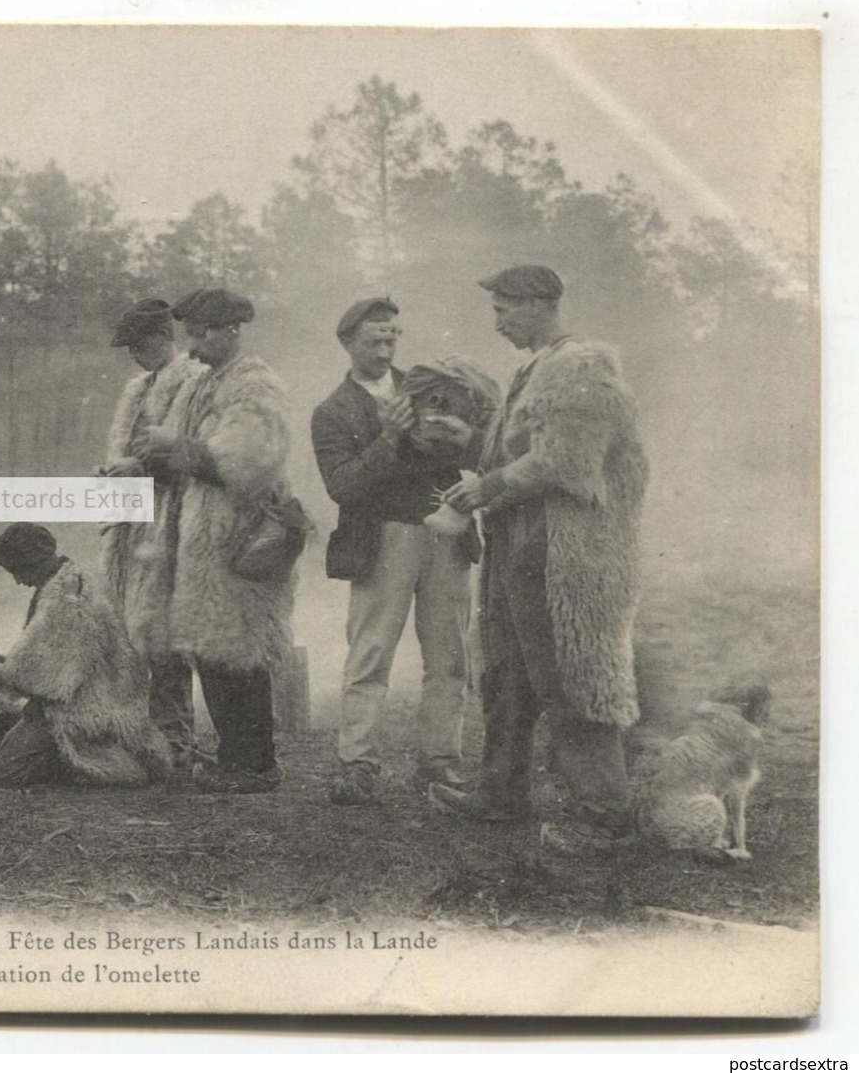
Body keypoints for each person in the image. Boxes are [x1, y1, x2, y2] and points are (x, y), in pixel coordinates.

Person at [433, 265, 649, 854]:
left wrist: (489, 483)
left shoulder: (580, 365)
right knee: (506, 670)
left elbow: (567, 462)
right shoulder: (533, 368)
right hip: (518, 541)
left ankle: (605, 815)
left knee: (568, 673)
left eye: (504, 308)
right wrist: (467, 441)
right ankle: (500, 794)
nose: (497, 320)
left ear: (538, 304)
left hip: (560, 551)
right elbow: (520, 451)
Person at [310, 298, 495, 806]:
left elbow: (482, 447)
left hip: (448, 533)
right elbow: (344, 488)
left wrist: (459, 436)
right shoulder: (333, 411)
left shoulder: (430, 385)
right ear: (347, 343)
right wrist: (391, 437)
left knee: (450, 656)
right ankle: (358, 763)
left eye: (392, 337)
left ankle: (440, 762)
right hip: (383, 538)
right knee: (371, 653)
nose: (386, 348)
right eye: (374, 340)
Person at [130, 288, 295, 794]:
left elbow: (247, 462)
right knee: (211, 645)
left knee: (237, 647)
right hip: (199, 536)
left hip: (236, 535)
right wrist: (146, 459)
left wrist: (171, 446)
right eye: (190, 336)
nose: (194, 348)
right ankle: (235, 759)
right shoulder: (206, 380)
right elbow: (184, 454)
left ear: (230, 331)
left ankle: (254, 765)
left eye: (201, 335)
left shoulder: (254, 384)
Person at [0, 523, 171, 789]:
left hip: (79, 706)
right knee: (8, 759)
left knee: (6, 775)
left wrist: (3, 674)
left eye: (18, 571)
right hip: (81, 692)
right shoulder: (67, 579)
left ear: (35, 562)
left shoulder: (68, 600)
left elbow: (52, 678)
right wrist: (7, 660)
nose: (18, 580)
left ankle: (92, 760)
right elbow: (52, 652)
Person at [96, 298, 204, 767]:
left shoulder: (190, 380)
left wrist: (137, 467)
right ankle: (138, 727)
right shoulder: (138, 387)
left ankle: (176, 737)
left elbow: (187, 452)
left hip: (173, 514)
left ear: (163, 338)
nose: (134, 354)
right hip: (136, 518)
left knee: (164, 629)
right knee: (129, 623)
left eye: (139, 344)